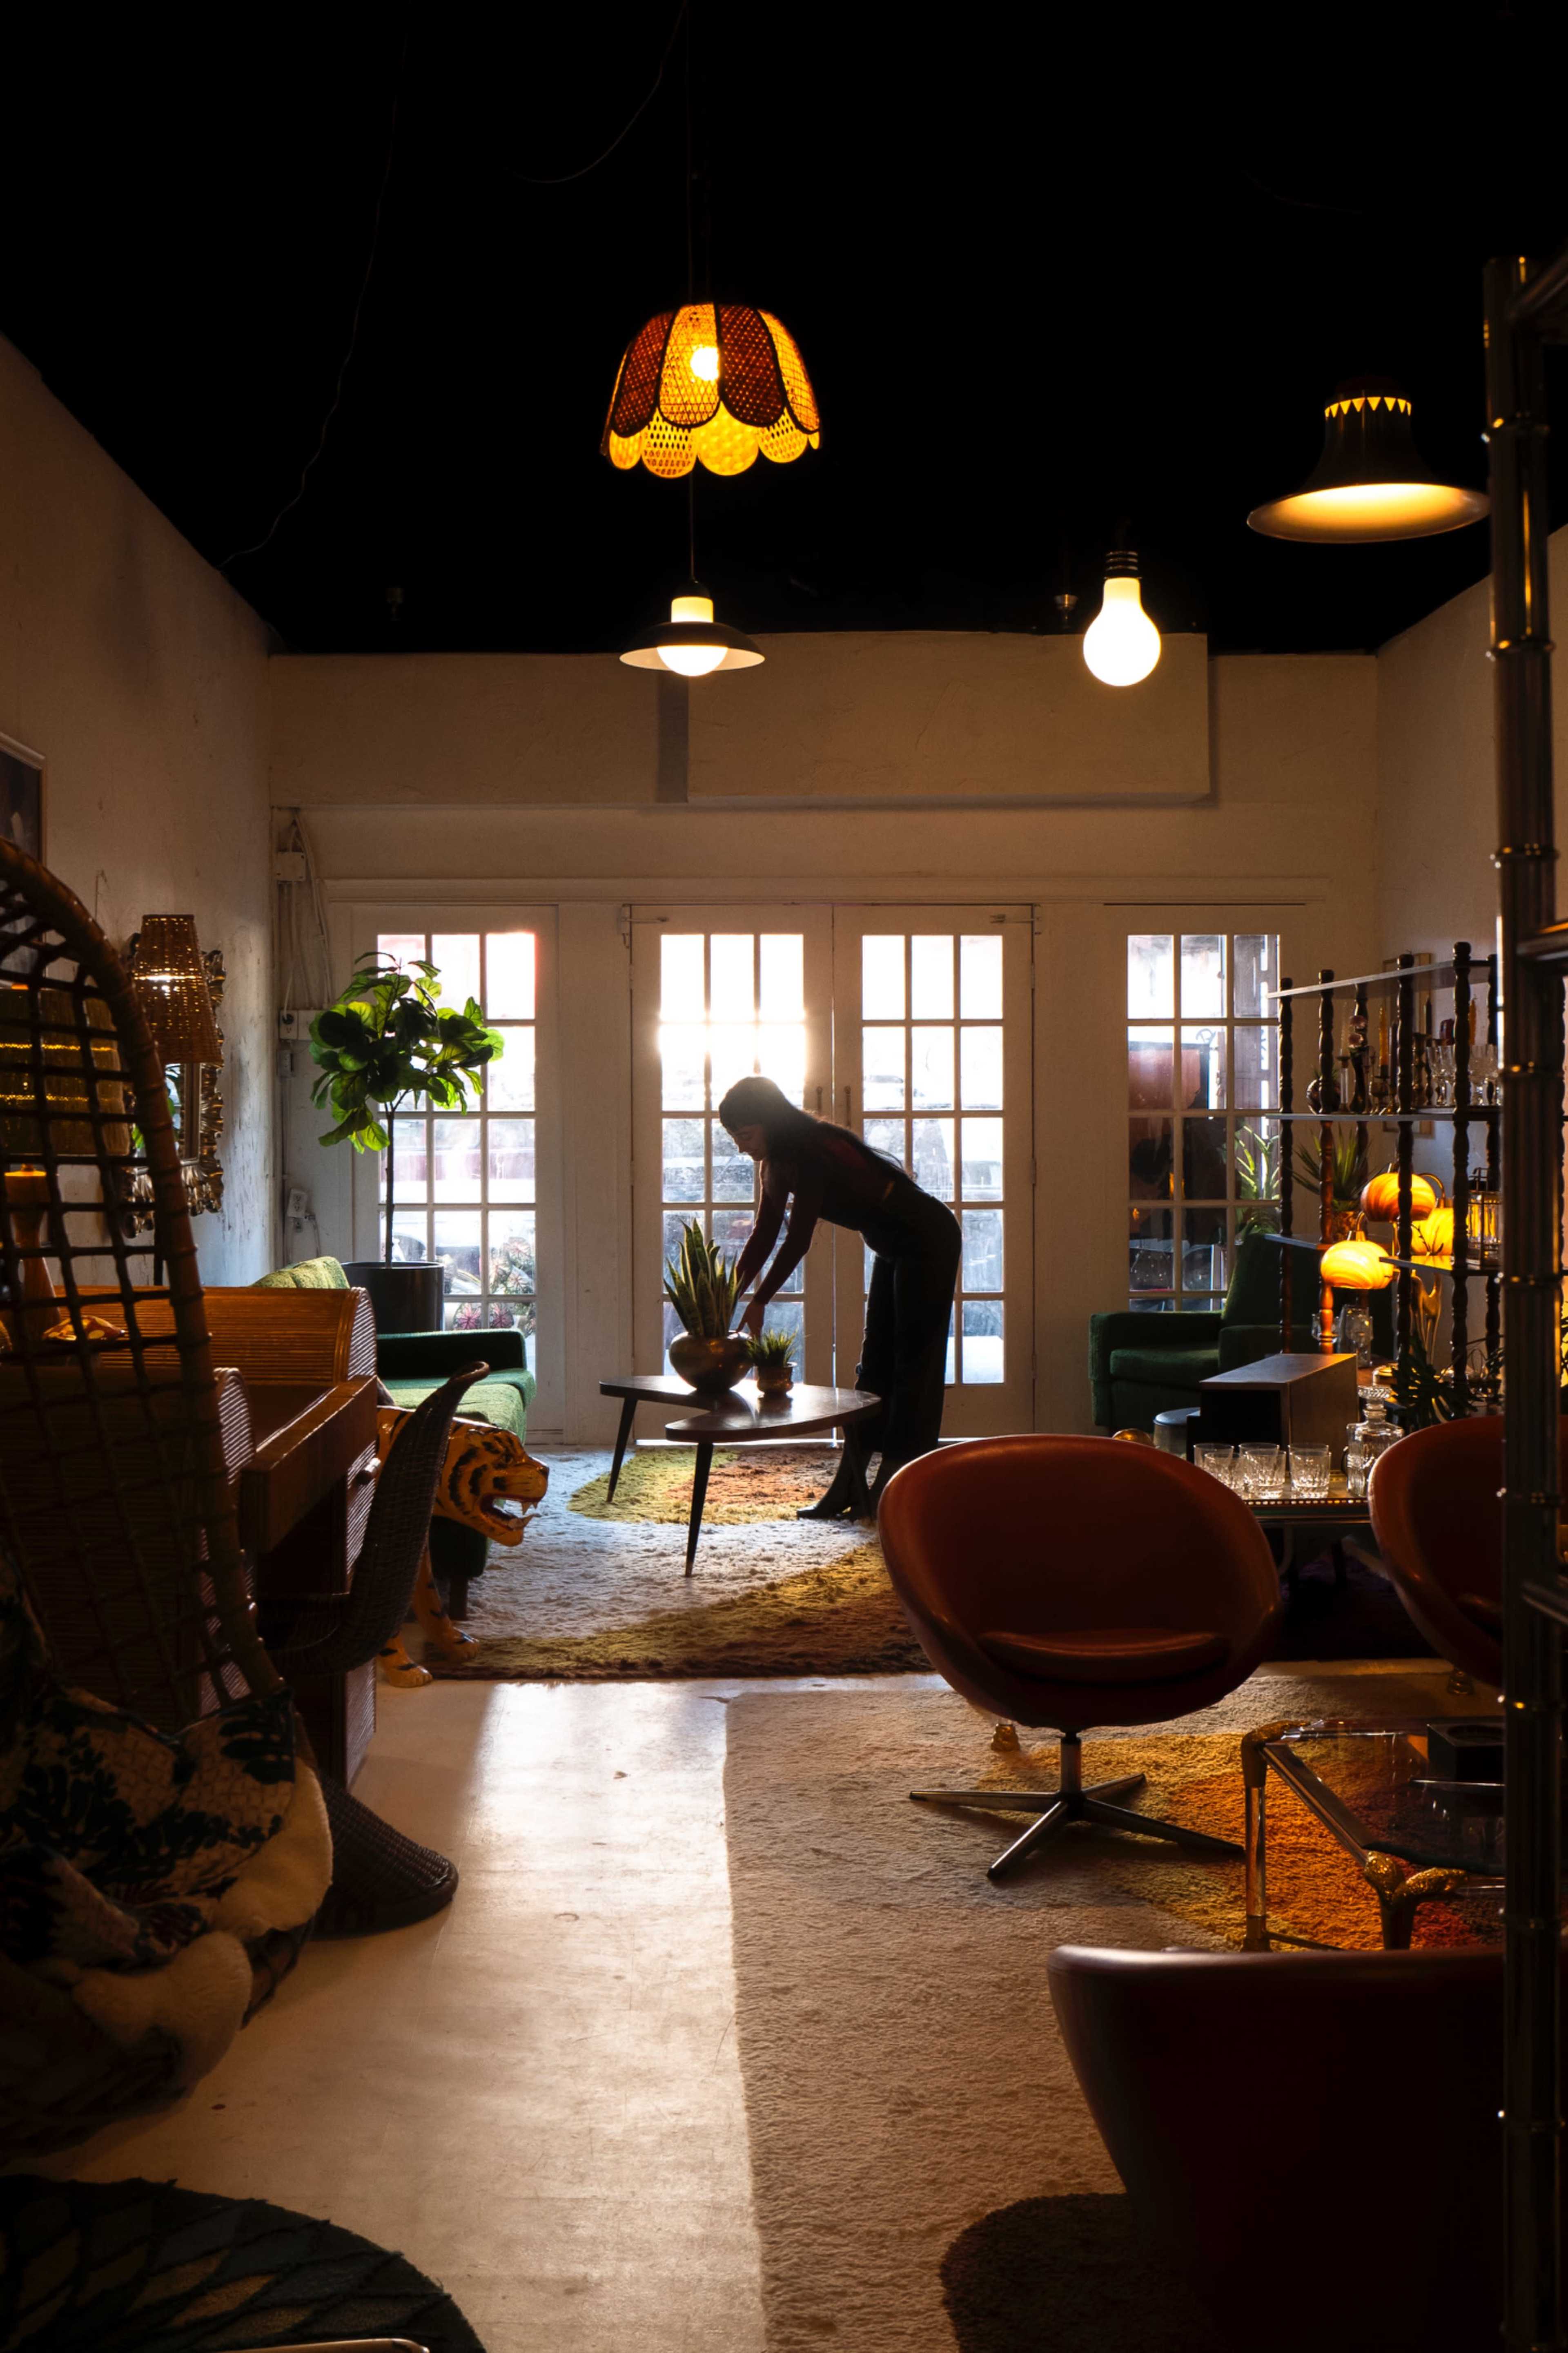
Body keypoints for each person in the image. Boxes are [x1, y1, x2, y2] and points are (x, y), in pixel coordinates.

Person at [718, 1074, 961, 1517]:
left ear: (769, 1122)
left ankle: (895, 1484)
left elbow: (798, 1239)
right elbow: (764, 1235)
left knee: (912, 1364)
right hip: (892, 1243)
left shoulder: (812, 1148)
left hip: (927, 1236)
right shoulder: (774, 1164)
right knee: (874, 1365)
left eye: (745, 1135)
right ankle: (850, 1482)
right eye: (734, 1138)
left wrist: (760, 1300)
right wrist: (727, 1295)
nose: (741, 1147)